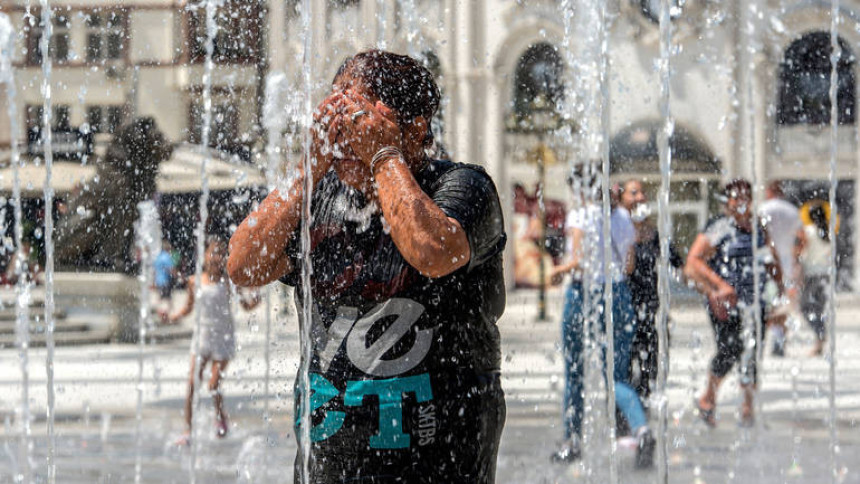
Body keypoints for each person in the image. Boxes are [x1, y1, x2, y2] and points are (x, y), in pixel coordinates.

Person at [227, 50, 507, 483]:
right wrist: (309, 165)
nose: (348, 137)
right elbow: (243, 265)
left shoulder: (464, 188)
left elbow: (431, 250)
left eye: (360, 120)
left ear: (415, 128)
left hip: (441, 465)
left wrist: (383, 155)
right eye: (339, 120)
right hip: (328, 468)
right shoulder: (318, 199)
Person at [548, 170, 655, 469]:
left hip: (585, 296)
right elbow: (629, 265)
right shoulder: (622, 217)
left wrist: (559, 270)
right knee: (616, 378)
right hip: (619, 296)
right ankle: (642, 430)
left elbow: (579, 262)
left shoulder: (580, 216)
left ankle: (572, 441)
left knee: (574, 371)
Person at [685, 179, 783, 427]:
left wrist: (779, 291)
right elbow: (694, 261)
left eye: (745, 196)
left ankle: (748, 408)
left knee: (753, 351)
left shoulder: (758, 226)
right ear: (726, 201)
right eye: (735, 196)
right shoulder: (719, 227)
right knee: (730, 349)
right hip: (726, 303)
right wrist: (718, 286)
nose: (741, 201)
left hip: (756, 301)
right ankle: (708, 397)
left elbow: (770, 259)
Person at [167, 239, 260, 444]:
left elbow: (246, 306)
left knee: (213, 384)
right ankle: (188, 431)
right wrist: (173, 317)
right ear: (205, 256)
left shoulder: (229, 282)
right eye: (213, 253)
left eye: (221, 254)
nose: (217, 258)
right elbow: (188, 308)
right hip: (202, 338)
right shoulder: (194, 281)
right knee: (192, 383)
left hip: (223, 338)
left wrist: (256, 299)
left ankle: (220, 419)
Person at [619, 180, 683, 403]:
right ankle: (625, 415)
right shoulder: (614, 228)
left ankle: (642, 414)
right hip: (622, 307)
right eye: (633, 192)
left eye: (641, 193)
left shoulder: (652, 233)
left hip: (649, 307)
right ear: (621, 198)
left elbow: (677, 261)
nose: (639, 197)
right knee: (623, 366)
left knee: (649, 366)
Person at [758, 180, 802, 356]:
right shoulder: (792, 211)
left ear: (769, 191)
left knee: (767, 303)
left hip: (767, 263)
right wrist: (796, 257)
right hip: (787, 264)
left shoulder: (763, 209)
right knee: (782, 303)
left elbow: (761, 237)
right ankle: (779, 340)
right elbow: (802, 238)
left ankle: (766, 338)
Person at [796, 200, 833, 356]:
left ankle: (820, 333)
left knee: (805, 307)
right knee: (819, 308)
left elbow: (801, 251)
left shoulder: (807, 230)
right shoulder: (829, 232)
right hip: (825, 274)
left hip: (811, 274)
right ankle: (819, 342)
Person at [154, 240, 176, 311]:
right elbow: (171, 269)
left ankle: (158, 312)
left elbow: (155, 270)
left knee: (161, 297)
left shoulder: (158, 257)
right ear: (167, 248)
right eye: (170, 249)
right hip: (165, 281)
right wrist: (176, 275)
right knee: (167, 298)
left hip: (158, 281)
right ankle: (166, 315)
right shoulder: (166, 257)